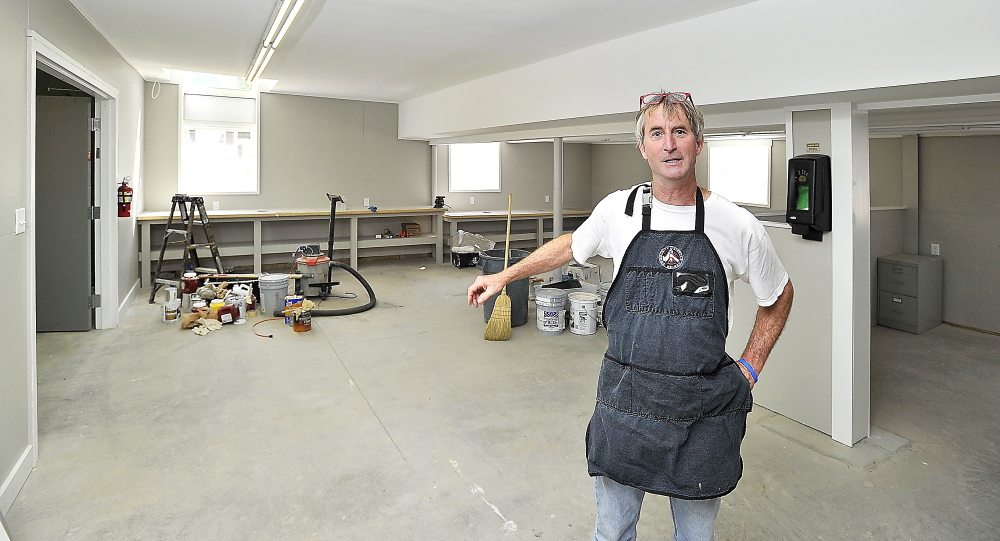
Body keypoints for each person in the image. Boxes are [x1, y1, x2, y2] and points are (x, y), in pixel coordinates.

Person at [467, 90, 794, 541]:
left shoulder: (736, 224)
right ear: (643, 148)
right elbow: (571, 244)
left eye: (680, 131)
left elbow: (778, 294)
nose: (670, 144)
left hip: (700, 408)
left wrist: (750, 367)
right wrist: (507, 274)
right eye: (657, 133)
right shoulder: (618, 210)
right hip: (626, 402)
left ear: (699, 142)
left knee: (696, 535)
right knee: (614, 528)